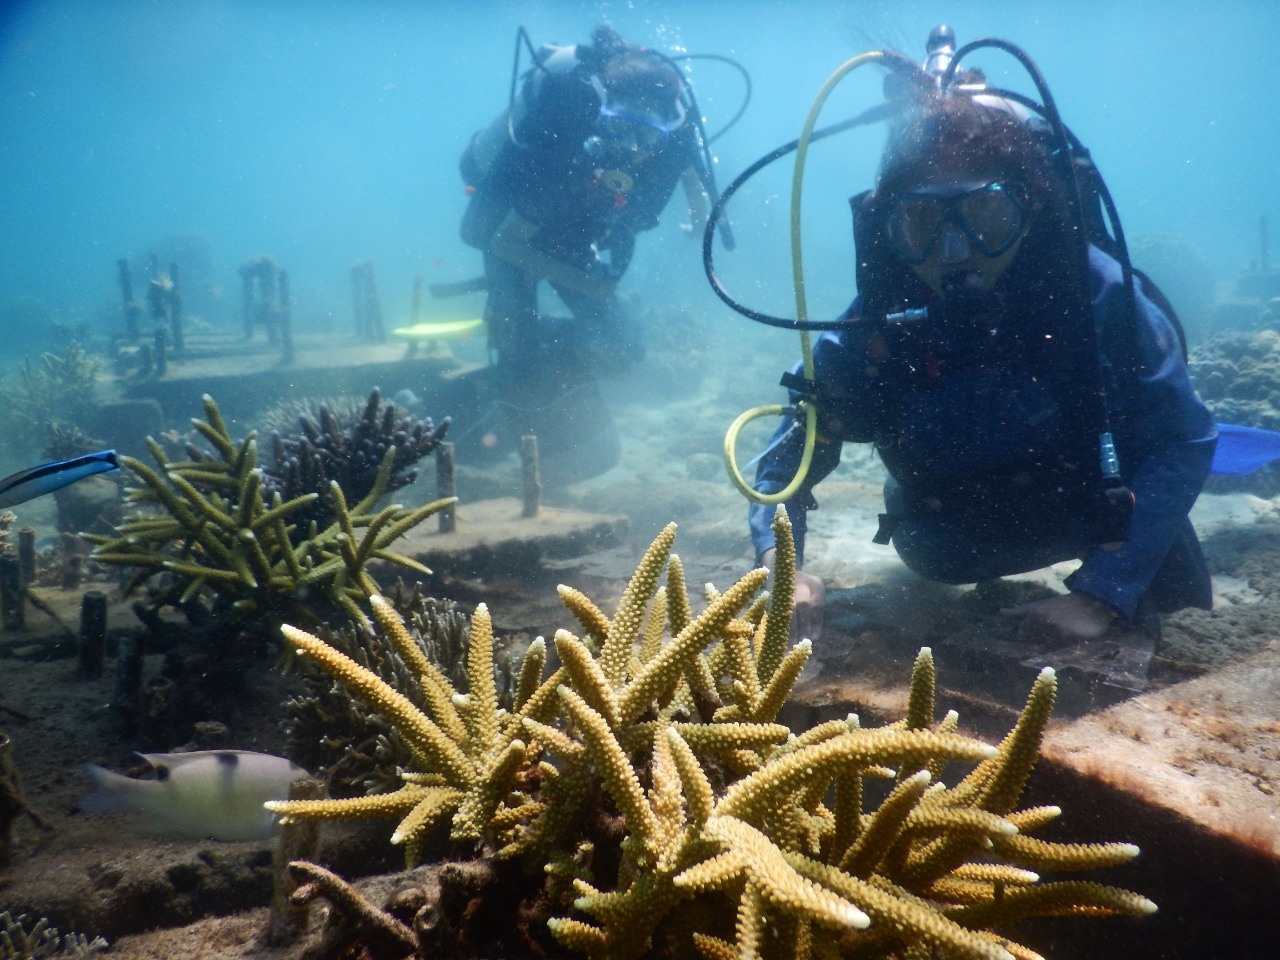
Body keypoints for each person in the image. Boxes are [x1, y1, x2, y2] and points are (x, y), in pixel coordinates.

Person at [748, 53, 1216, 686]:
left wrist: (1104, 592)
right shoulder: (876, 324)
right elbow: (786, 459)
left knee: (1163, 568)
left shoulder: (1094, 296)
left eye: (985, 218)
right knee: (936, 554)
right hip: (950, 537)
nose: (954, 254)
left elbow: (1183, 436)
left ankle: (1131, 572)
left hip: (1087, 512)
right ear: (891, 228)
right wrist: (782, 568)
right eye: (922, 223)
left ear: (1030, 212)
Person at [458, 24, 712, 484]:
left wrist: (699, 213)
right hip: (510, 230)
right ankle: (507, 399)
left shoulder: (672, 141)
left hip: (569, 236)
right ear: (600, 115)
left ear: (664, 136)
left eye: (645, 139)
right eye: (618, 128)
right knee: (519, 346)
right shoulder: (558, 149)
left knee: (622, 344)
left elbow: (690, 166)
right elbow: (504, 243)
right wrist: (587, 285)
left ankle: (549, 345)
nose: (628, 150)